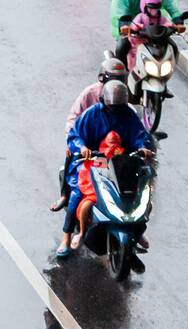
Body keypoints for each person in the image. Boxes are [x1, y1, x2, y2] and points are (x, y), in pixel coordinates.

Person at [57, 81, 153, 258]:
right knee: (77, 194)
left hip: (122, 164)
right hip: (93, 163)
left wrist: (143, 147)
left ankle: (138, 230)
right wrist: (82, 148)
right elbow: (75, 135)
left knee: (141, 194)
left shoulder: (128, 115)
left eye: (119, 106)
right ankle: (67, 236)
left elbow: (140, 136)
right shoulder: (91, 114)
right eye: (112, 107)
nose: (116, 110)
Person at [50, 58, 128, 213]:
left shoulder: (122, 95)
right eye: (114, 79)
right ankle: (65, 195)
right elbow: (74, 119)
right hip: (89, 143)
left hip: (111, 145)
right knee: (73, 162)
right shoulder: (90, 95)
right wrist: (80, 143)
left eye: (120, 79)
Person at [113, 0, 183, 64]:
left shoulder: (158, 16)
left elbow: (171, 6)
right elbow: (122, 12)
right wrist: (126, 25)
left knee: (173, 47)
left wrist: (178, 22)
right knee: (121, 47)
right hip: (130, 27)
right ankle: (122, 74)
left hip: (153, 31)